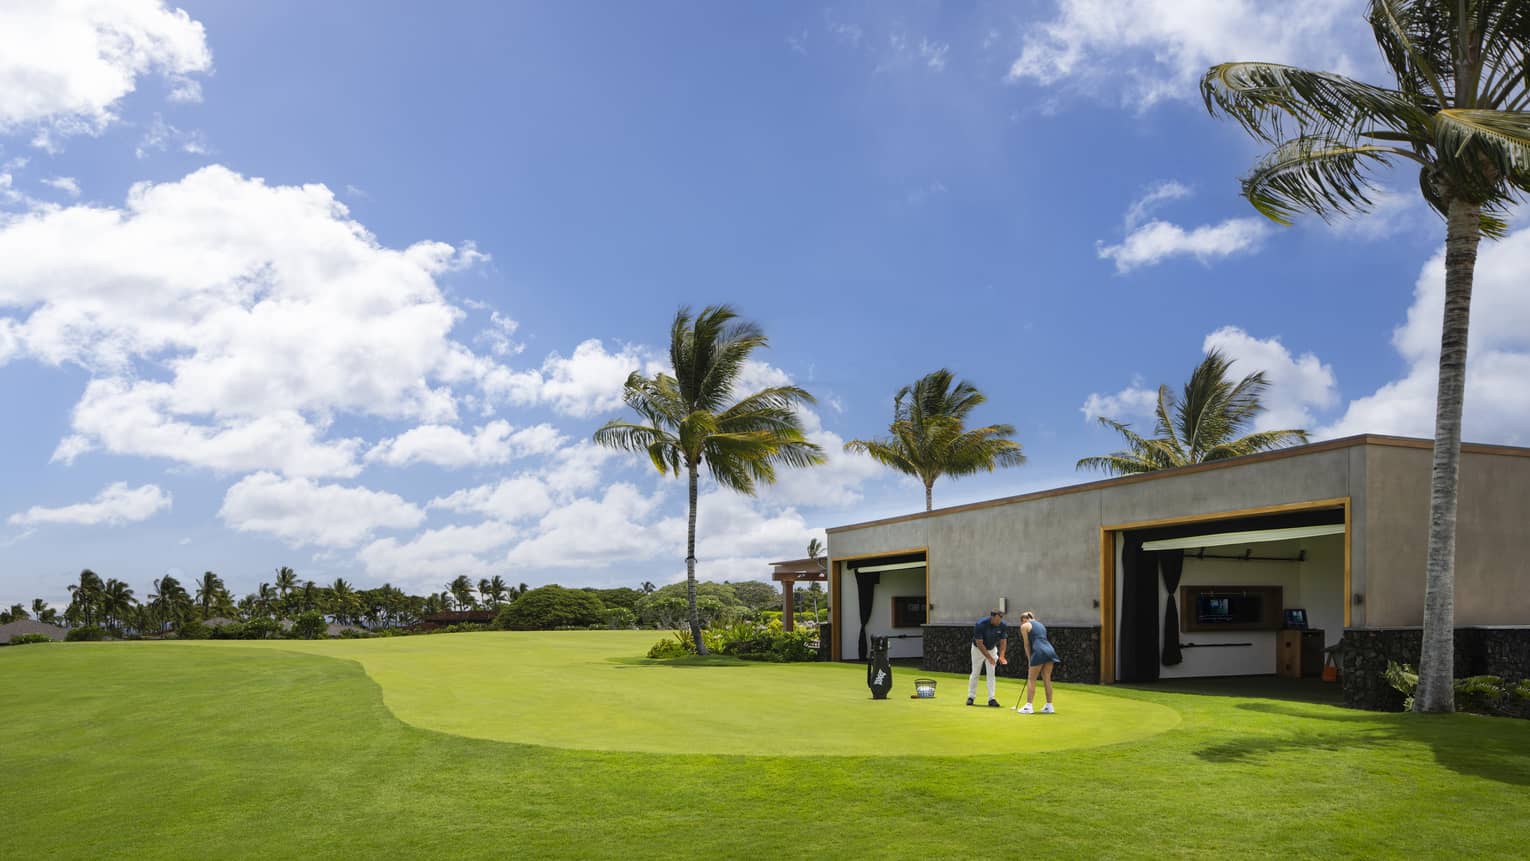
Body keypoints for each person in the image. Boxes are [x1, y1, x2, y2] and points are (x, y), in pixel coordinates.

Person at [1016, 610, 1059, 714]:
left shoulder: (1024, 626)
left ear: (1024, 619)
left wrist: (1029, 660)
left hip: (1039, 651)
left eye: (1022, 621)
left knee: (1031, 679)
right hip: (1050, 650)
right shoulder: (1041, 625)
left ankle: (1028, 706)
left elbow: (1026, 645)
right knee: (1047, 679)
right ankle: (1049, 706)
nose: (1022, 624)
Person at [967, 609, 1007, 707]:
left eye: (1000, 619)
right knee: (975, 672)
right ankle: (971, 697)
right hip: (978, 650)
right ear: (992, 617)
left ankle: (991, 699)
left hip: (992, 649)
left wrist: (1001, 656)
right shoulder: (980, 624)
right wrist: (989, 657)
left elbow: (1003, 642)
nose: (999, 622)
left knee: (991, 674)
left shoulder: (1002, 625)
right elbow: (979, 643)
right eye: (997, 619)